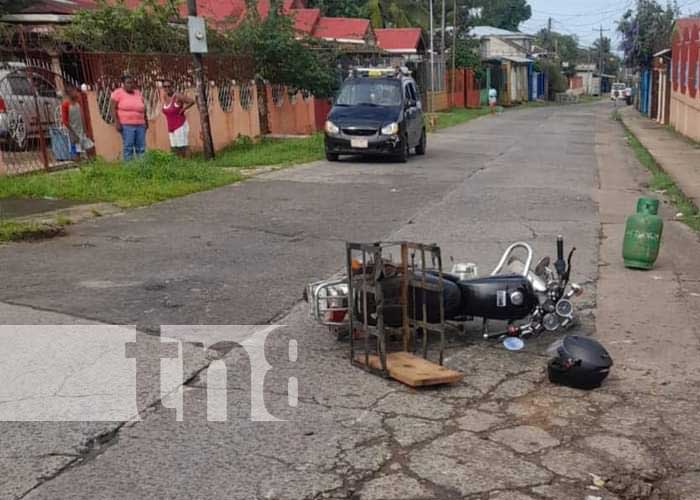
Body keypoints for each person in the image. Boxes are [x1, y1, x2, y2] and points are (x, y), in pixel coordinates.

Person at [110, 74, 148, 161]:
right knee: (128, 147)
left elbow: (143, 108)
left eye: (132, 83)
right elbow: (112, 108)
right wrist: (117, 122)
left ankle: (142, 168)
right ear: (123, 83)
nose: (131, 85)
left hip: (140, 125)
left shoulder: (138, 93)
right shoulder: (118, 93)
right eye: (128, 83)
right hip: (126, 125)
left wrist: (146, 121)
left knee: (141, 148)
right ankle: (129, 169)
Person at [161, 79, 194, 157]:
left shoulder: (177, 96)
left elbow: (192, 101)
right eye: (165, 86)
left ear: (172, 86)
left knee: (182, 146)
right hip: (171, 126)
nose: (167, 88)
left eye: (169, 86)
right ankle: (179, 164)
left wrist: (183, 109)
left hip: (180, 125)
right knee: (174, 147)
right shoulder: (165, 97)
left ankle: (189, 165)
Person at [60, 84, 94, 160]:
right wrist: (73, 132)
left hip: (81, 129)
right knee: (77, 150)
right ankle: (80, 168)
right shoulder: (65, 105)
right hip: (73, 131)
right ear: (69, 94)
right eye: (74, 92)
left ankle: (92, 164)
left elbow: (82, 116)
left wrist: (85, 129)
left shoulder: (77, 102)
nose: (76, 93)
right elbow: (65, 121)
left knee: (89, 147)